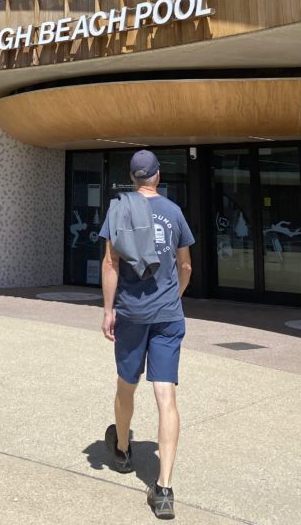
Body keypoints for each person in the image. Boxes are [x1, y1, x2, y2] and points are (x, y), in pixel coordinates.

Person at [100, 149, 194, 521]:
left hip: (132, 312)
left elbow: (111, 262)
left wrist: (109, 309)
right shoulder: (174, 213)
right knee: (165, 395)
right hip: (168, 314)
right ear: (157, 176)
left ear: (133, 177)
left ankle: (122, 449)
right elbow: (185, 265)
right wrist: (175, 296)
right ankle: (165, 488)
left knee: (127, 384)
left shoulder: (118, 209)